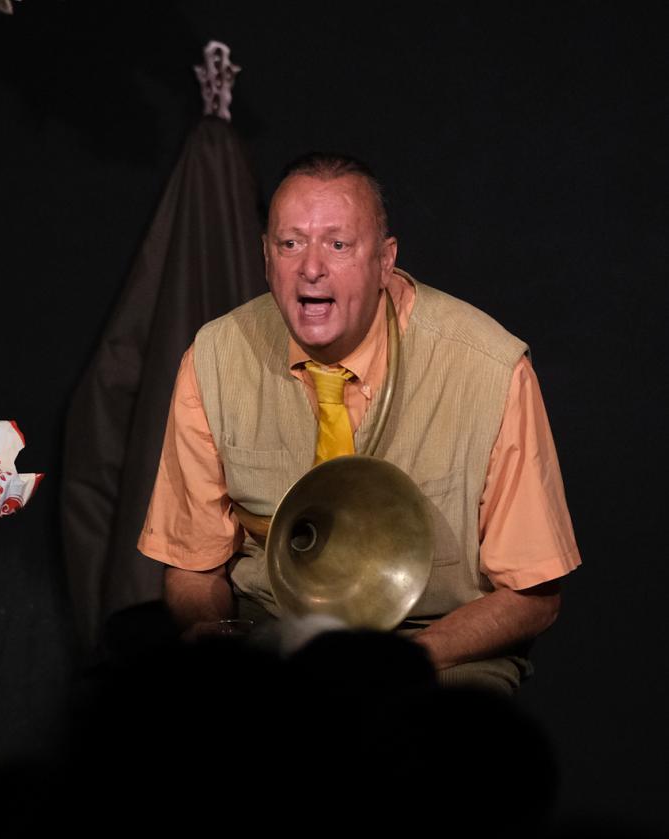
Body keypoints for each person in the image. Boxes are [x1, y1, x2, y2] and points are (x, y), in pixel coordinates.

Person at [137, 153, 579, 692]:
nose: (311, 268)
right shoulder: (213, 359)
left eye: (338, 245)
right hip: (275, 642)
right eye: (290, 243)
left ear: (386, 261)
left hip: (437, 651)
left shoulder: (489, 369)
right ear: (266, 256)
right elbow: (192, 563)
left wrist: (397, 661)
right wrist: (214, 635)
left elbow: (534, 595)